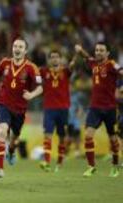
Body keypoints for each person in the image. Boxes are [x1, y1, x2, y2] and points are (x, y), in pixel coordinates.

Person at [0, 37, 43, 178]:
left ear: (25, 50)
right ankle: (0, 169)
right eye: (15, 46)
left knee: (14, 139)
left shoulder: (31, 67)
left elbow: (40, 88)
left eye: (20, 47)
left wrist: (31, 95)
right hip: (3, 104)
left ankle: (11, 151)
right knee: (2, 131)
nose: (17, 49)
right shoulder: (5, 63)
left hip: (20, 109)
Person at [75, 42, 122, 177]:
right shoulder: (94, 64)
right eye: (97, 50)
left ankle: (114, 166)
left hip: (110, 108)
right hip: (95, 107)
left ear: (107, 53)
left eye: (101, 50)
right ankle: (91, 166)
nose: (98, 52)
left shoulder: (112, 64)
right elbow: (86, 57)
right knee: (88, 136)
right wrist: (80, 50)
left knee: (113, 139)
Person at [39, 50, 76, 172]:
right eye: (52, 57)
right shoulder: (44, 71)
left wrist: (76, 53)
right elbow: (33, 72)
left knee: (62, 137)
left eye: (57, 57)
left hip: (63, 108)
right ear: (49, 60)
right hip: (49, 108)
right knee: (47, 135)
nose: (54, 59)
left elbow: (72, 65)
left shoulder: (65, 71)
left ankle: (59, 161)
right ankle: (47, 161)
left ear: (60, 59)